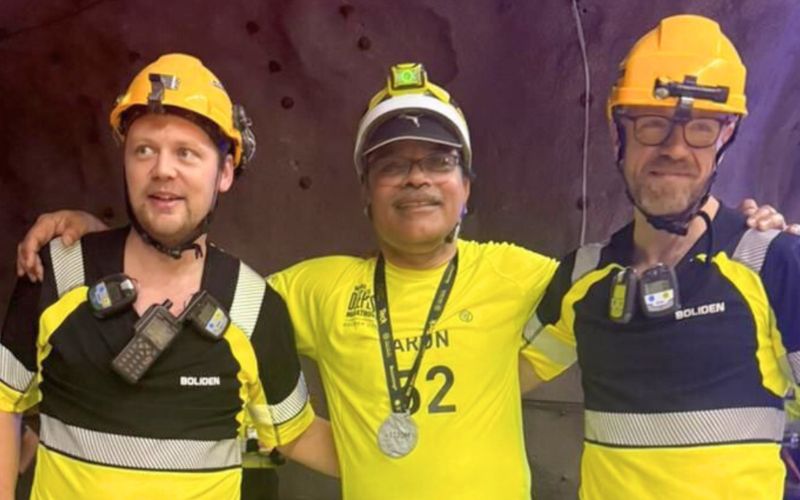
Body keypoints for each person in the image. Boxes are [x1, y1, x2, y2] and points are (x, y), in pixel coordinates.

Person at [11, 61, 789, 500]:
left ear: (467, 186)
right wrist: (94, 236)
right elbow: (184, 280)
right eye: (391, 164)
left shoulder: (534, 278)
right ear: (364, 191)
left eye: (437, 161)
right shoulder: (308, 291)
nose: (416, 178)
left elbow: (653, 267)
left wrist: (743, 227)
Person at [0, 53, 337, 500]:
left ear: (224, 173)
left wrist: (414, 459)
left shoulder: (253, 307)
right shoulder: (59, 274)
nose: (162, 169)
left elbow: (295, 434)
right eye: (144, 150)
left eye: (186, 153)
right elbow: (4, 402)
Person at [526, 14, 800, 499]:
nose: (674, 149)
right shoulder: (582, 278)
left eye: (700, 128)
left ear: (725, 137)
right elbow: (491, 382)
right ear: (618, 135)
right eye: (652, 125)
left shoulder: (773, 266)